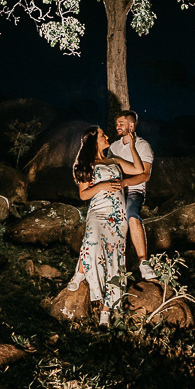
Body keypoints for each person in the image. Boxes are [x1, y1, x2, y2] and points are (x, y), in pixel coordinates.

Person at [66, 124, 145, 327]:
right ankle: (81, 272)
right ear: (94, 140)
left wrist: (133, 146)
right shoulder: (86, 163)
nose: (107, 136)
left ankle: (106, 312)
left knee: (115, 260)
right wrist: (101, 185)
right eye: (102, 135)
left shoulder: (114, 161)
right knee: (91, 240)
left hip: (117, 216)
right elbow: (83, 194)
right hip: (98, 212)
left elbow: (138, 169)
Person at [108, 110, 157, 281]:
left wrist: (125, 183)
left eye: (121, 123)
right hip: (115, 190)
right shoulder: (113, 147)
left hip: (134, 190)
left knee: (131, 214)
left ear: (131, 125)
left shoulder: (143, 146)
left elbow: (144, 175)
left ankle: (143, 262)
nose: (117, 126)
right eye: (116, 123)